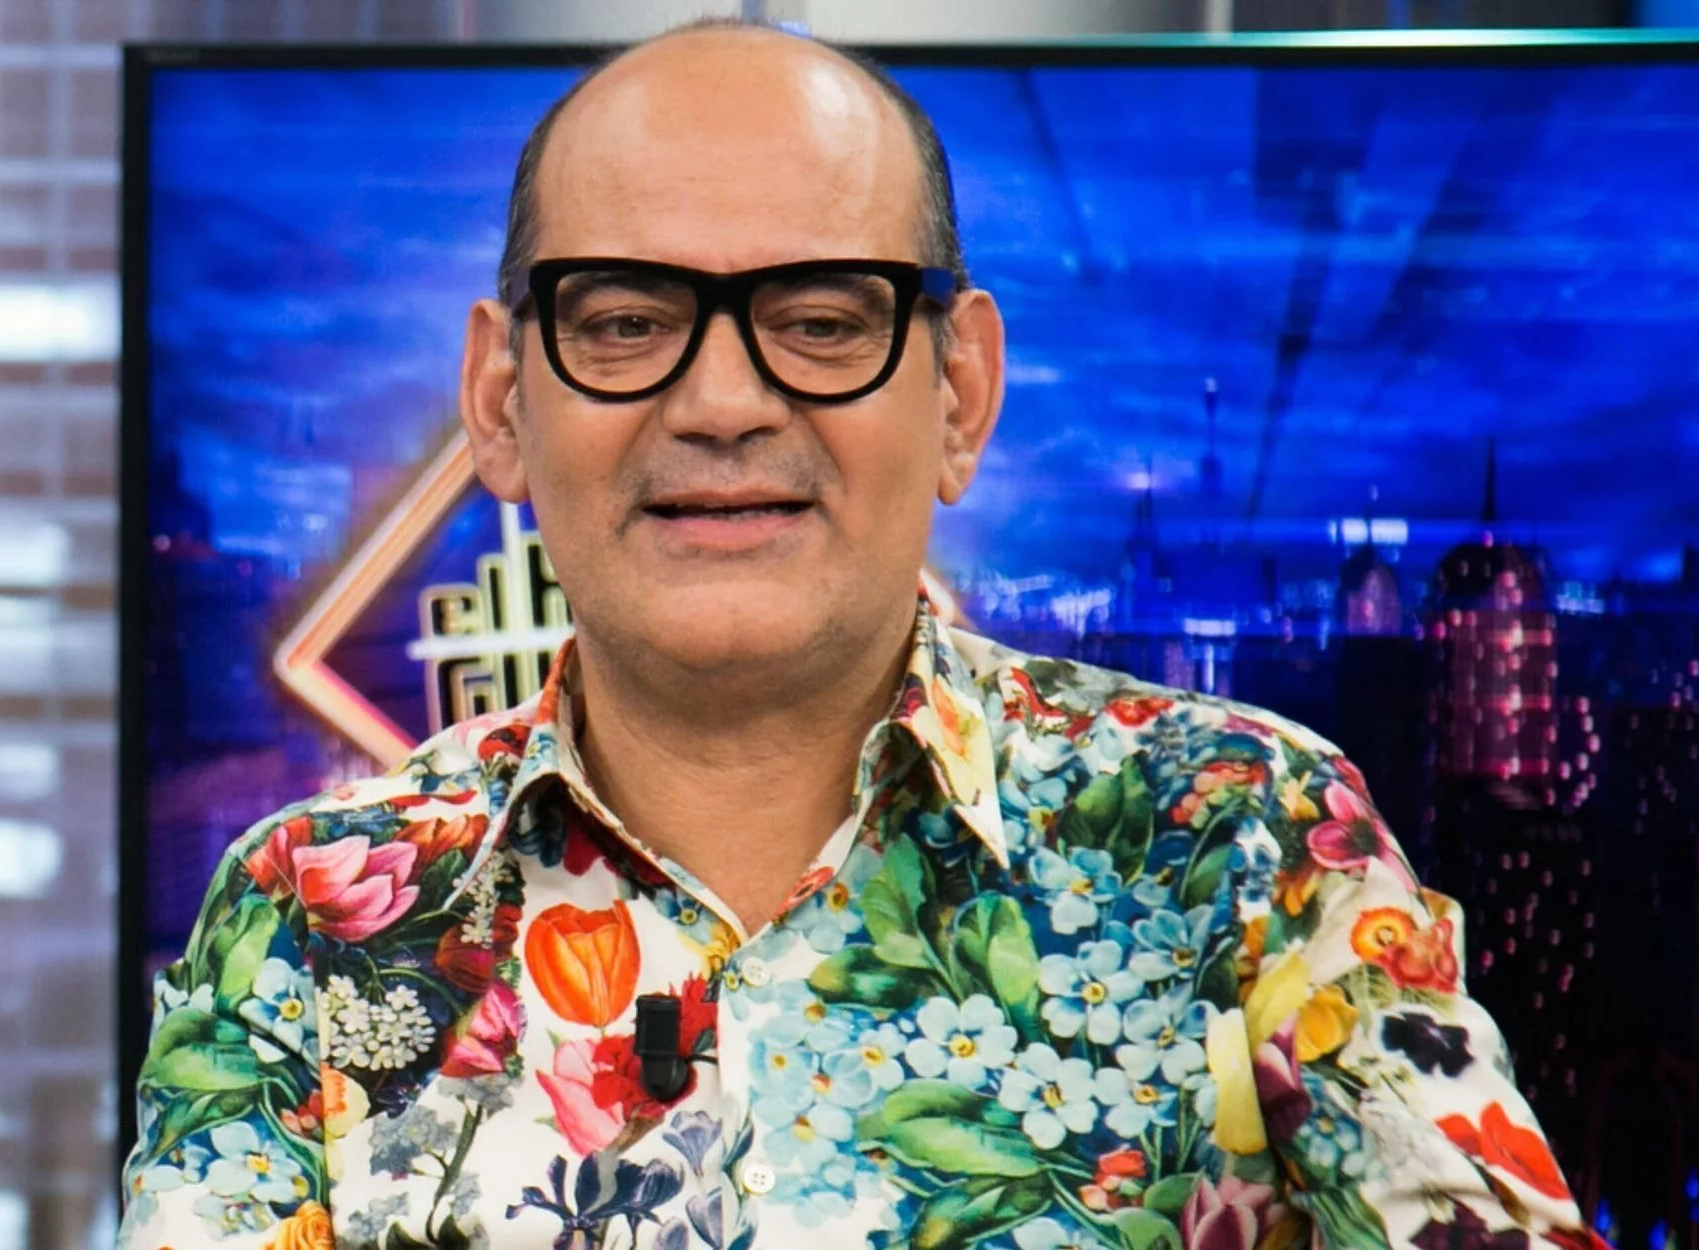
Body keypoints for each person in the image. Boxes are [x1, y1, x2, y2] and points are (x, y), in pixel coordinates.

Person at [119, 21, 1602, 1250]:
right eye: (625, 321)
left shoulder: (1245, 837)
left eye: (824, 320)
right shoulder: (306, 916)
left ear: (960, 394)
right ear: (502, 401)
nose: (721, 403)